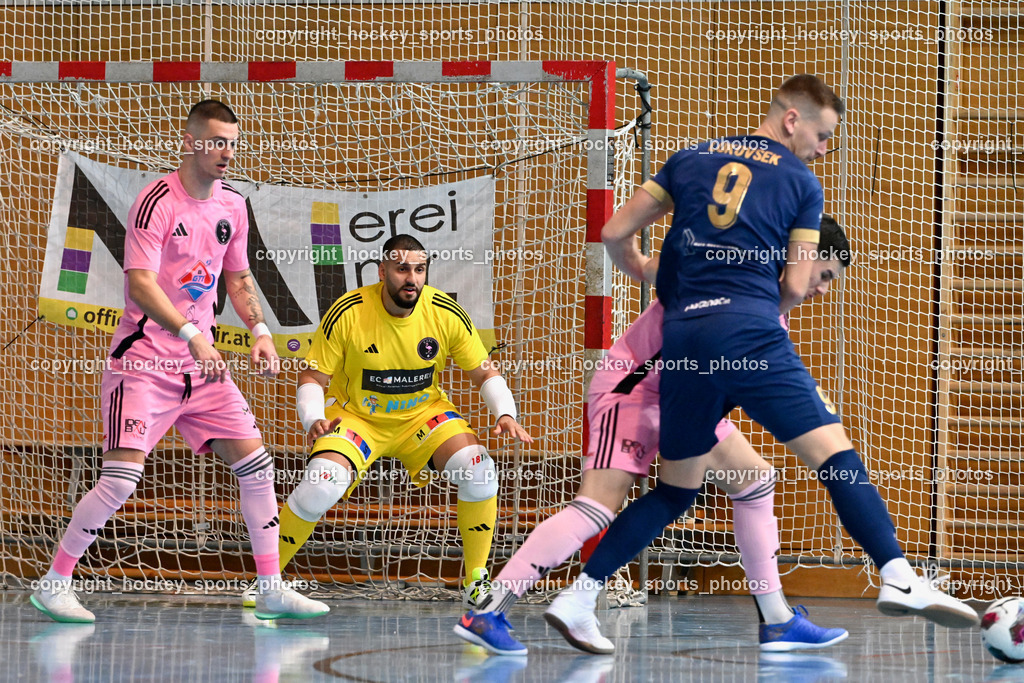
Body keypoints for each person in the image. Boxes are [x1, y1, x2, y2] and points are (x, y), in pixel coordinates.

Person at [543, 73, 978, 649]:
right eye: (823, 136)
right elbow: (797, 285)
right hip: (749, 333)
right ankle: (897, 575)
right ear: (793, 119)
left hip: (685, 337)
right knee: (834, 452)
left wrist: (652, 275)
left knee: (676, 490)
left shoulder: (689, 156)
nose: (824, 149)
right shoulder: (801, 180)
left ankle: (578, 596)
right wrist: (748, 306)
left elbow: (614, 230)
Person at [454, 217, 851, 656]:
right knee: (596, 505)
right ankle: (490, 610)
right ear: (801, 259)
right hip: (635, 388)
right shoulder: (731, 284)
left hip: (683, 400)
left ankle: (776, 620)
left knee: (752, 480)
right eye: (825, 276)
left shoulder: (765, 307)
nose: (823, 291)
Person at [31, 100, 328, 623]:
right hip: (145, 364)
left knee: (258, 467)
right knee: (121, 481)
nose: (226, 153)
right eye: (216, 141)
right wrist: (192, 333)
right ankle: (54, 583)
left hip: (203, 369)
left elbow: (236, 278)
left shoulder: (233, 206)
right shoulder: (156, 202)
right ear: (191, 141)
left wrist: (260, 330)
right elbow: (140, 283)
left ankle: (270, 587)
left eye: (232, 142)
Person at [241, 234, 532, 608]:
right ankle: (266, 583)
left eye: (420, 269)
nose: (411, 278)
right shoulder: (348, 312)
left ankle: (476, 579)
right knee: (318, 486)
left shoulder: (445, 312)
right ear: (382, 272)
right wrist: (313, 417)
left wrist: (505, 413)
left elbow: (484, 372)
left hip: (422, 418)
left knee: (479, 470)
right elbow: (314, 378)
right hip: (357, 417)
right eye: (402, 269)